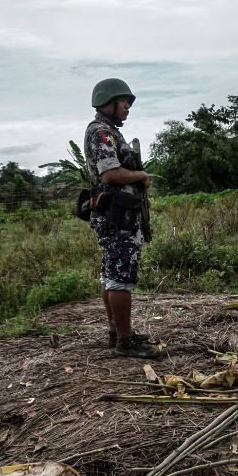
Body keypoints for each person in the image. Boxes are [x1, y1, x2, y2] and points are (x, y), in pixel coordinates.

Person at [84, 77, 158, 359]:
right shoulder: (101, 133)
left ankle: (117, 332)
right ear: (108, 102)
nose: (127, 107)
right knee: (120, 277)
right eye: (123, 102)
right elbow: (111, 174)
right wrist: (141, 175)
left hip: (119, 214)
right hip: (118, 217)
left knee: (111, 275)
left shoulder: (110, 132)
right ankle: (125, 340)